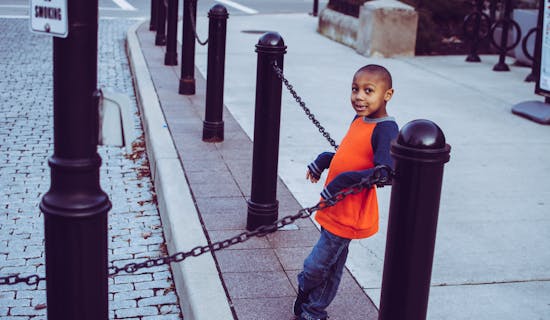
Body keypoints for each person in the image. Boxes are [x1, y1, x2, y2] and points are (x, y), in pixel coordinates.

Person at [294, 64, 399, 320]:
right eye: (355, 89)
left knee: (316, 265)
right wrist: (324, 160)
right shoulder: (360, 119)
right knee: (331, 266)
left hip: (349, 211)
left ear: (387, 94)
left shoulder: (386, 129)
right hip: (332, 205)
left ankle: (306, 293)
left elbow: (385, 172)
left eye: (368, 90)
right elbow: (349, 154)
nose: (359, 97)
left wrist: (341, 183)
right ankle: (312, 310)